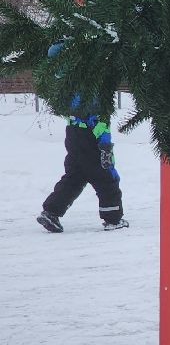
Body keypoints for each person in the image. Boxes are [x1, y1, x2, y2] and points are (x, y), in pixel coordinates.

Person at [36, 42, 127, 233]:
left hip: (74, 131)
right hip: (91, 131)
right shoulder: (89, 77)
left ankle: (51, 211)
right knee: (105, 175)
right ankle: (113, 218)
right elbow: (97, 113)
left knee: (76, 175)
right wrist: (104, 142)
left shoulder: (65, 76)